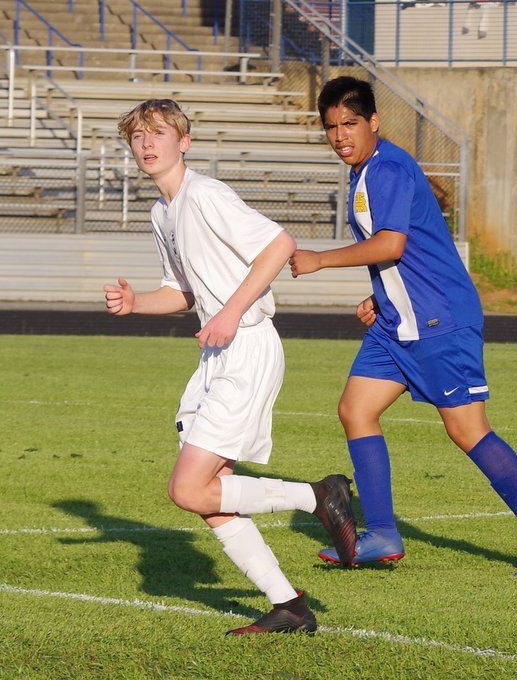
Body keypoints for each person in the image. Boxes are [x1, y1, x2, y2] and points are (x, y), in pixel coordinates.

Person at [288, 77, 517, 577]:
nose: (340, 136)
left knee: (466, 430)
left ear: (374, 122)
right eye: (331, 127)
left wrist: (320, 259)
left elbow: (392, 244)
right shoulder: (365, 171)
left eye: (350, 124)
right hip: (398, 321)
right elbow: (409, 249)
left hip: (440, 320)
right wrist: (381, 296)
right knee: (356, 410)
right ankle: (381, 534)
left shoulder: (388, 168)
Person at [104, 98, 359, 635]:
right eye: (138, 136)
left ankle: (318, 495)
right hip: (217, 352)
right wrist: (136, 303)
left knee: (187, 489)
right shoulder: (162, 212)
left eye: (158, 133)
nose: (147, 144)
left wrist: (230, 312)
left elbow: (279, 246)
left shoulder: (205, 194)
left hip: (246, 346)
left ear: (184, 142)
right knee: (212, 495)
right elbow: (181, 291)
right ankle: (289, 606)